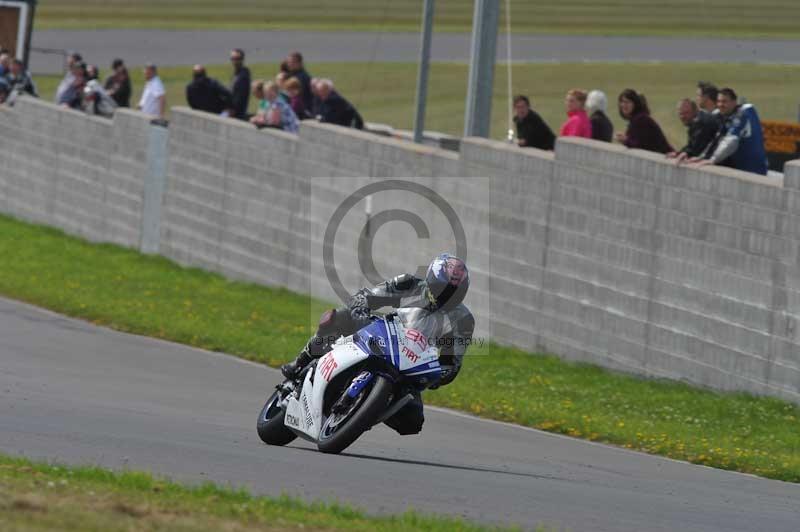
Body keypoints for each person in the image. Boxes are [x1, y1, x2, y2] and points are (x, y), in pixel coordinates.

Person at [281, 253, 475, 435]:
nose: (447, 295)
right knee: (338, 317)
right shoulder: (408, 284)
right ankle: (300, 361)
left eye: (454, 292)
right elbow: (369, 296)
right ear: (432, 280)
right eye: (443, 288)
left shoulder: (463, 319)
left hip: (411, 364)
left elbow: (451, 361)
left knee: (413, 422)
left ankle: (362, 414)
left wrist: (439, 374)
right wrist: (361, 307)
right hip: (383, 335)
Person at [690, 88, 768, 175]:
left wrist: (713, 159)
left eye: (724, 101)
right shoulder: (725, 115)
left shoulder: (742, 113)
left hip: (753, 170)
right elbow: (716, 138)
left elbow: (731, 140)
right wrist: (702, 157)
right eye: (718, 101)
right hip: (739, 168)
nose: (720, 105)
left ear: (734, 102)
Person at [615, 88, 673, 154]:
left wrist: (625, 140)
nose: (623, 105)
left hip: (665, 159)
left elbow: (640, 146)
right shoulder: (637, 119)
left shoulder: (641, 119)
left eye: (627, 102)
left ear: (635, 104)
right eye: (622, 102)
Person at [229, 48, 251, 120]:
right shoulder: (236, 73)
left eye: (237, 59)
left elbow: (240, 97)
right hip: (233, 110)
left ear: (242, 59)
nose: (235, 61)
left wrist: (232, 110)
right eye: (233, 59)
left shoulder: (243, 76)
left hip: (237, 113)